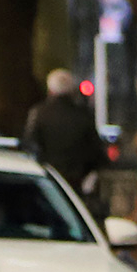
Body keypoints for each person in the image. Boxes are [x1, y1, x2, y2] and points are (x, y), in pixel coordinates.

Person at [22, 68, 104, 196]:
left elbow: (30, 145)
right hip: (76, 182)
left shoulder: (39, 114)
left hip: (46, 179)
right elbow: (96, 152)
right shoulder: (82, 116)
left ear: (50, 90)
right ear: (72, 91)